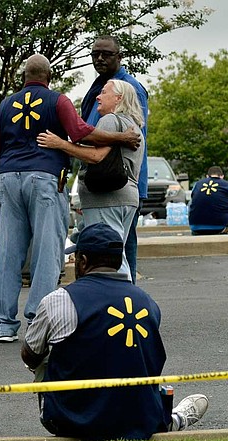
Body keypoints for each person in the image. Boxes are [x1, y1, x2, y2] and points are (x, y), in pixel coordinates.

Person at [0, 54, 140, 342]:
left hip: (6, 179)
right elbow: (80, 132)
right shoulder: (58, 101)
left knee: (8, 252)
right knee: (47, 252)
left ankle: (4, 324)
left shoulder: (4, 105)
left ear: (24, 78)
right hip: (44, 179)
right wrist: (120, 138)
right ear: (49, 77)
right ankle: (38, 319)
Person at [21, 222, 208, 441]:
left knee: (48, 354)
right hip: (141, 418)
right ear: (119, 261)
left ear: (82, 261)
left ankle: (168, 419)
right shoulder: (147, 302)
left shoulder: (59, 300)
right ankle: (172, 419)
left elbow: (30, 354)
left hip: (72, 422)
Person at [36, 79, 144, 281]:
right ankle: (124, 299)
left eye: (104, 92)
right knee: (116, 253)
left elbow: (96, 156)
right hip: (128, 197)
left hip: (106, 199)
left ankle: (122, 303)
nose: (98, 96)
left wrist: (60, 144)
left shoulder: (111, 121)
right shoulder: (134, 127)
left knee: (108, 258)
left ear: (118, 98)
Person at [81, 35, 149, 283]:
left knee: (119, 250)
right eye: (95, 53)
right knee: (111, 248)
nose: (99, 58)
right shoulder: (100, 87)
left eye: (106, 54)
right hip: (103, 183)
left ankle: (127, 303)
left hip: (119, 183)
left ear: (119, 57)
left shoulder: (127, 88)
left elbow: (135, 137)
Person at [188, 166, 228, 235]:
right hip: (219, 227)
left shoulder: (197, 184)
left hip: (195, 226)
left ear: (207, 176)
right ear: (222, 176)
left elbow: (192, 205)